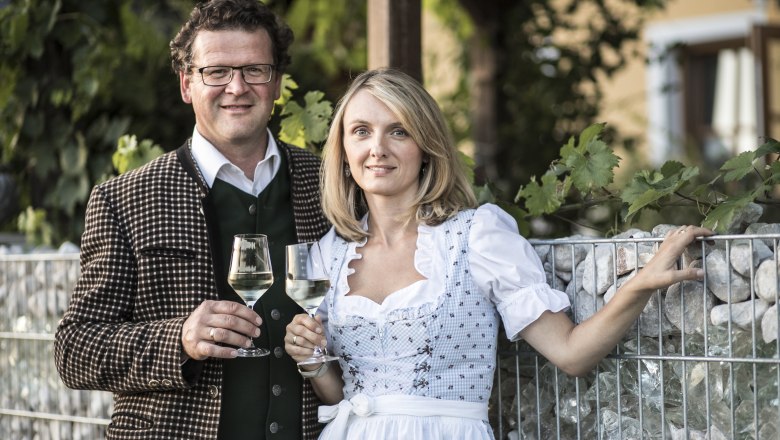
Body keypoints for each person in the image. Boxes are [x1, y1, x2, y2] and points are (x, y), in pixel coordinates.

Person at [283, 68, 713, 439]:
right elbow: (344, 397)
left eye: (398, 131)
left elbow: (572, 353)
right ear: (343, 153)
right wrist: (314, 363)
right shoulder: (329, 257)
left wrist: (640, 284)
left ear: (426, 147)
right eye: (361, 131)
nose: (377, 148)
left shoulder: (477, 237)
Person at [54, 1, 329, 439]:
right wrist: (179, 338)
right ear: (187, 84)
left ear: (275, 83)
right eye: (216, 72)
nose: (237, 87)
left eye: (255, 70)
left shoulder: (329, 186)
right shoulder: (123, 199)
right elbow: (75, 351)